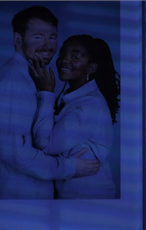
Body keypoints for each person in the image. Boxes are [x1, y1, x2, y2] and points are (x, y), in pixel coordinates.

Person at [0, 6, 99, 199]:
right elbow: (16, 153)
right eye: (38, 37)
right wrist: (71, 166)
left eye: (52, 37)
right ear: (18, 40)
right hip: (20, 200)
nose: (48, 45)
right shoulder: (13, 81)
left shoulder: (31, 77)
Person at [28, 34, 119, 199]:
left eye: (75, 56)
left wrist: (46, 92)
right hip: (75, 196)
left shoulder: (89, 105)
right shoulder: (73, 98)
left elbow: (45, 145)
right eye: (62, 54)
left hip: (90, 197)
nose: (64, 60)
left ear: (91, 68)